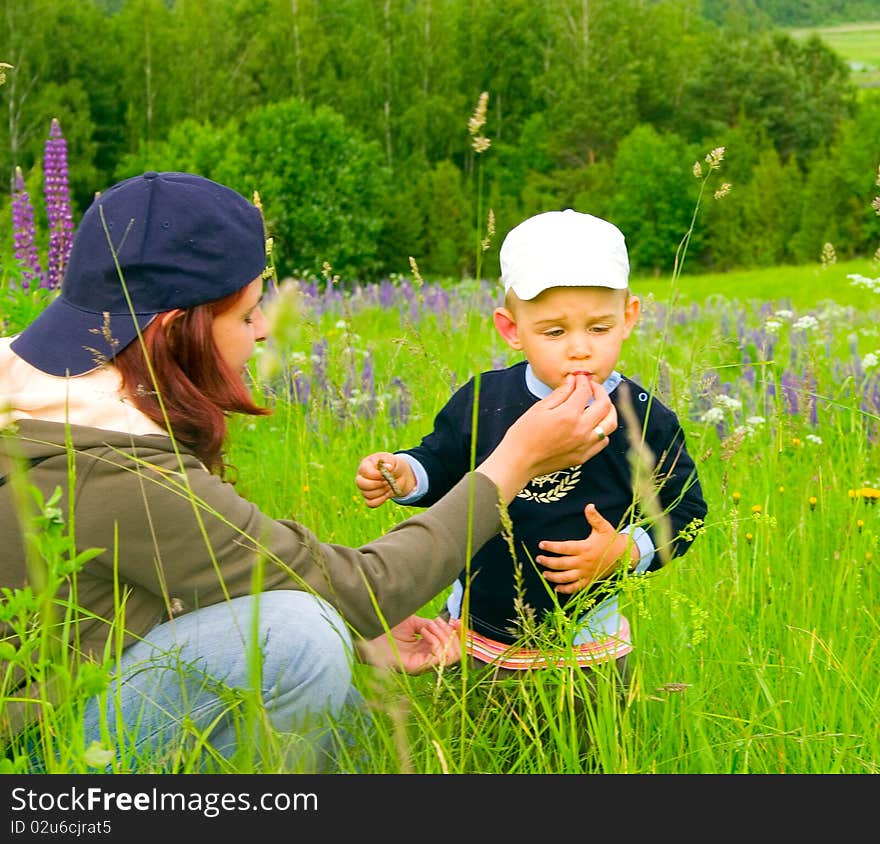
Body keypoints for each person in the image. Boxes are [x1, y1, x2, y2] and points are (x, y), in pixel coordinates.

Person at [0, 174, 617, 772]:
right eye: (245, 316)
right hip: (39, 751)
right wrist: (514, 462)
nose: (265, 328)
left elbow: (204, 576)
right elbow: (359, 587)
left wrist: (355, 630)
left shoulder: (50, 398)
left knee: (320, 637)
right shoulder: (117, 468)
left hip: (67, 693)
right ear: (172, 330)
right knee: (293, 636)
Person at [356, 209, 707, 680]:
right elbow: (440, 462)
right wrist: (403, 472)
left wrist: (622, 553)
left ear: (629, 317)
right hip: (471, 634)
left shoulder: (643, 415)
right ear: (511, 329)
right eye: (555, 331)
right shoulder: (485, 398)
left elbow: (685, 511)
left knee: (586, 751)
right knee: (480, 746)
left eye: (598, 328)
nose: (579, 348)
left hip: (590, 644)